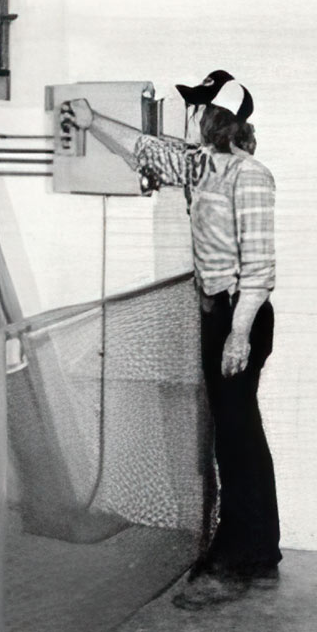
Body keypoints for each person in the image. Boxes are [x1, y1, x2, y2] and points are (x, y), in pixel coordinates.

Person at [67, 69, 280, 611]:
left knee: (233, 440)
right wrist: (92, 124)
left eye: (197, 105)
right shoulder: (198, 165)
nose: (187, 113)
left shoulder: (249, 176)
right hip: (219, 315)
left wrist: (238, 335)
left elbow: (259, 266)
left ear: (218, 117)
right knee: (239, 434)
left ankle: (234, 564)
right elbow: (143, 148)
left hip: (242, 317)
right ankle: (260, 552)